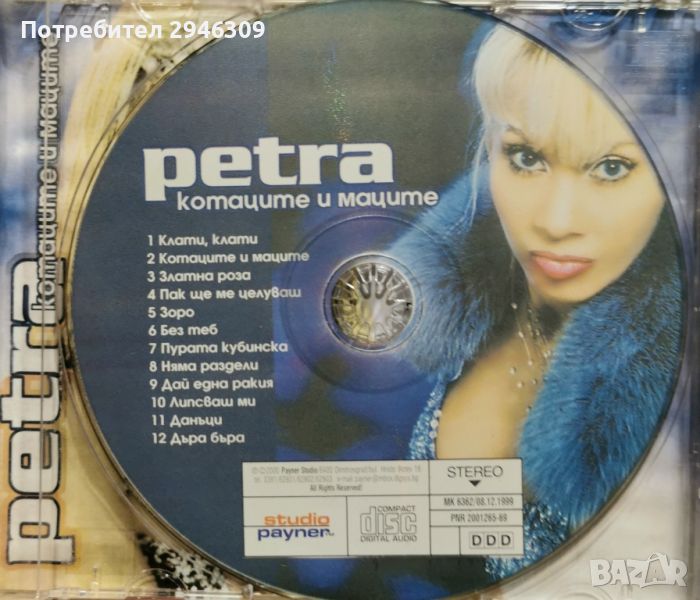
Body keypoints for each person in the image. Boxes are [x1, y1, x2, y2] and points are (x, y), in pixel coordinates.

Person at [392, 24, 683, 580]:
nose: (555, 221)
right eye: (526, 157)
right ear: (490, 149)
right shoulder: (464, 297)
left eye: (611, 167)